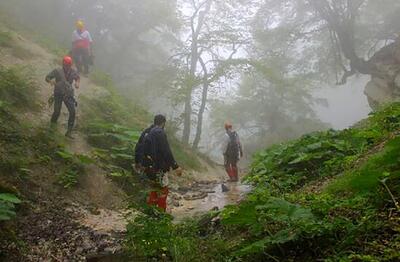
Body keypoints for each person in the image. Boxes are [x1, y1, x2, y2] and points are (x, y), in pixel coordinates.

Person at [140, 114, 182, 211]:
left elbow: (142, 149)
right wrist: (175, 166)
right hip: (160, 167)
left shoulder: (148, 132)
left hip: (150, 167)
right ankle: (161, 214)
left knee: (154, 189)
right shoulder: (160, 133)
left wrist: (144, 165)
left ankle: (151, 212)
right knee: (163, 190)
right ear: (163, 123)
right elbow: (166, 151)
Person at [45, 56, 80, 138]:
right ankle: (52, 128)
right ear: (63, 64)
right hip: (58, 93)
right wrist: (50, 81)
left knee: (72, 111)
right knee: (57, 111)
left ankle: (69, 132)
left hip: (68, 94)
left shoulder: (73, 72)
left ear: (70, 65)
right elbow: (47, 77)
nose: (67, 66)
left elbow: (77, 78)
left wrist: (77, 83)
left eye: (68, 65)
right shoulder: (57, 71)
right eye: (66, 64)